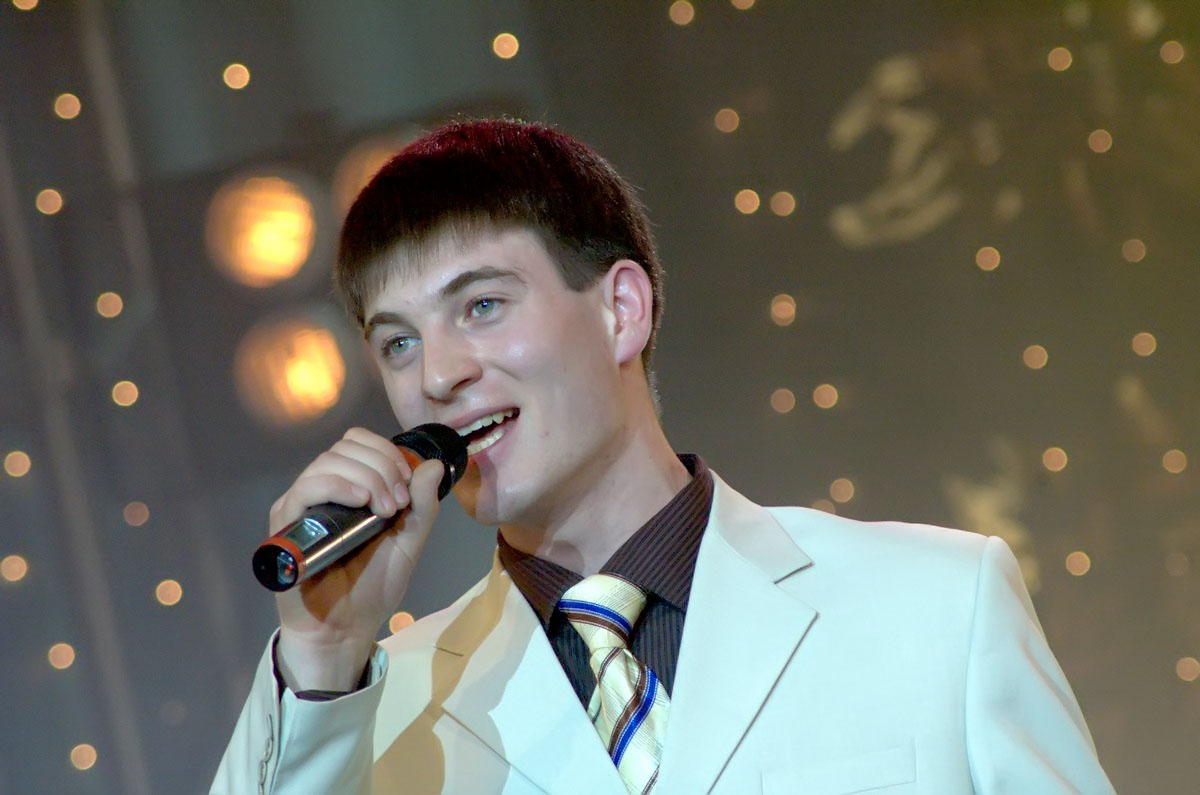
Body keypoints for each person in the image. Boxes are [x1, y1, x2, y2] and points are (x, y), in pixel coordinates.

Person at [213, 119, 1114, 794]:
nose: (439, 375)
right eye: (398, 343)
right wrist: (323, 656)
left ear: (621, 311)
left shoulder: (936, 603)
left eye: (481, 306)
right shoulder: (365, 708)